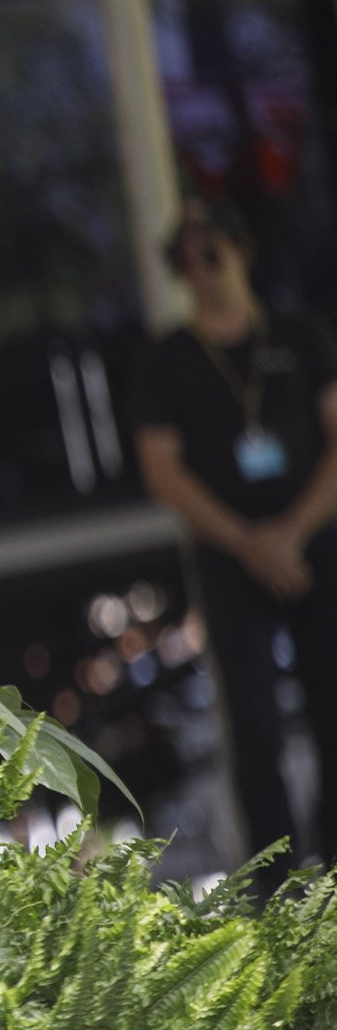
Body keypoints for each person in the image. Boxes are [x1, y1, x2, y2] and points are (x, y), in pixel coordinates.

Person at [131, 205, 337, 881]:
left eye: (209, 253)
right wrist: (250, 543)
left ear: (241, 251)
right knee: (253, 727)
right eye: (183, 260)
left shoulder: (301, 336)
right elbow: (164, 470)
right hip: (229, 554)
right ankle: (279, 893)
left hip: (312, 539)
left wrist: (292, 531)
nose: (198, 270)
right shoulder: (169, 358)